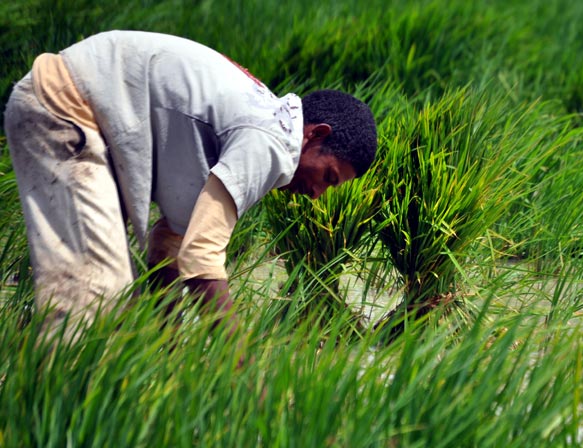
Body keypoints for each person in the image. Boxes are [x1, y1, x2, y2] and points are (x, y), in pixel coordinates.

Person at [3, 30, 378, 335]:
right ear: (315, 135)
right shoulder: (272, 142)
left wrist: (167, 345)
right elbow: (202, 257)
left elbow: (174, 246)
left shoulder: (258, 122)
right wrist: (241, 368)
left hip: (81, 112)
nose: (316, 195)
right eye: (328, 177)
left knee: (111, 306)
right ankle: (49, 411)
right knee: (99, 297)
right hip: (64, 106)